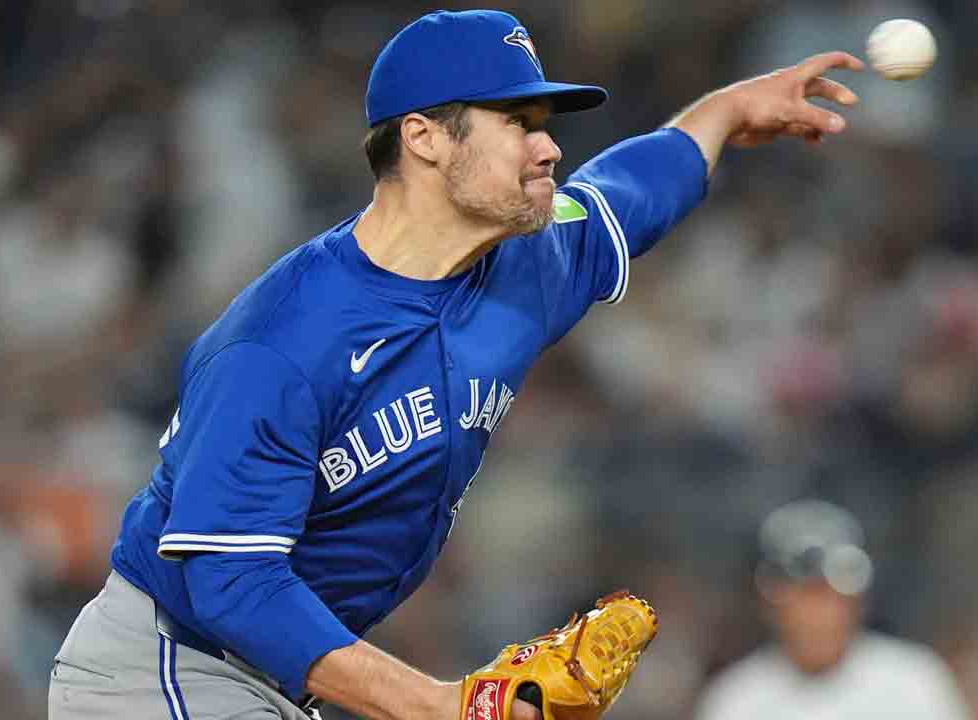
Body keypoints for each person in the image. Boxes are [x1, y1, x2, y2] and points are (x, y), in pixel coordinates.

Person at [48, 9, 863, 720]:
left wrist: (725, 113)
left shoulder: (524, 261)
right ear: (425, 137)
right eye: (517, 121)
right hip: (167, 668)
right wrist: (440, 704)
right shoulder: (282, 339)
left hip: (270, 680)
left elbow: (627, 195)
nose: (548, 146)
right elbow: (230, 582)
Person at [694, 499, 971, 720]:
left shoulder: (915, 682)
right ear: (770, 604)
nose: (817, 615)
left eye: (829, 596)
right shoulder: (736, 701)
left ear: (857, 602)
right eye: (803, 596)